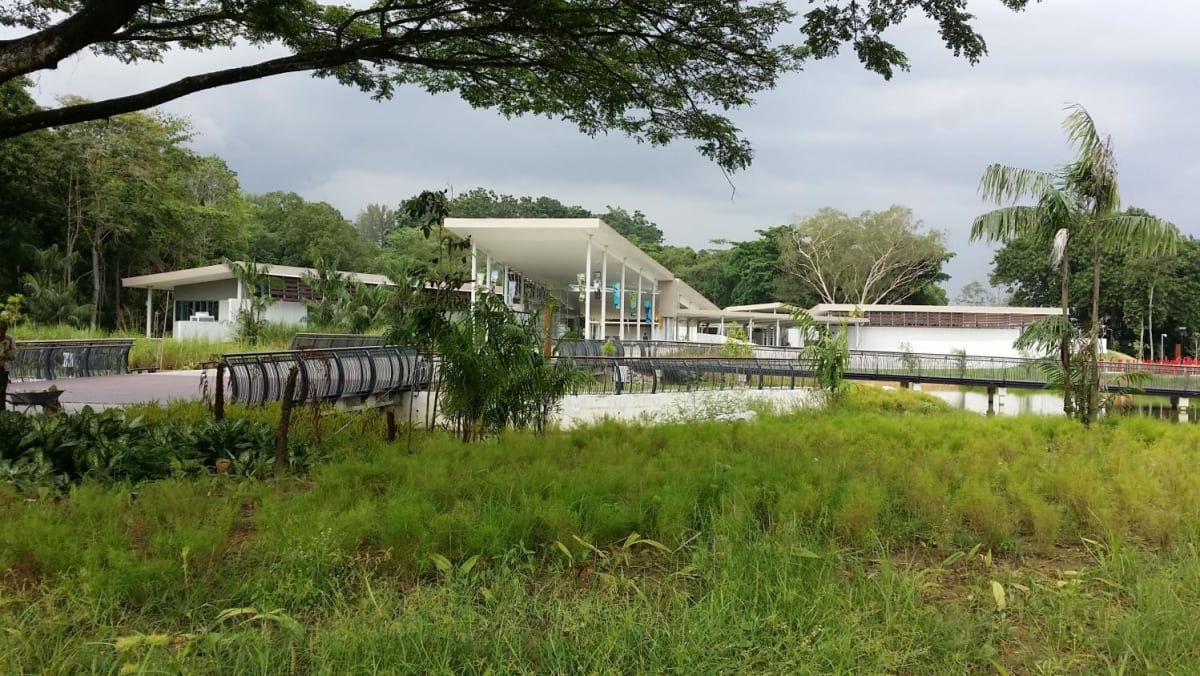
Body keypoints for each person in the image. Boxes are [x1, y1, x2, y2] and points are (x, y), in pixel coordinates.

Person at [0, 321, 14, 412]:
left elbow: (13, 355)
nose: (1, 335)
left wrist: (7, 356)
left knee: (1, 393)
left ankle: (2, 412)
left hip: (3, 369)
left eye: (2, 332)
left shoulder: (9, 339)